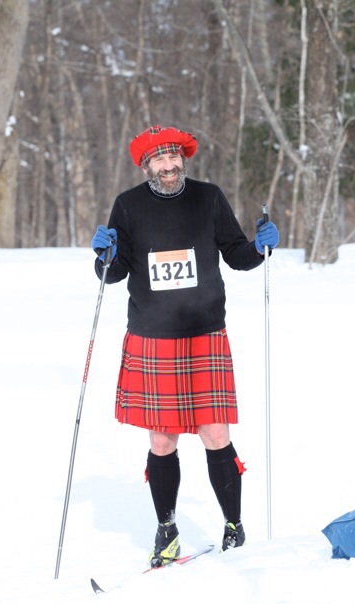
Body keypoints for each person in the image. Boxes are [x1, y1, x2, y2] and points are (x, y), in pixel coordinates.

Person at [92, 125, 279, 567]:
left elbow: (236, 254)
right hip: (153, 335)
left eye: (174, 156)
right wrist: (103, 255)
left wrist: (260, 248)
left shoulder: (208, 197)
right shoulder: (128, 205)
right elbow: (113, 273)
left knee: (216, 433)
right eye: (159, 159)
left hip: (203, 331)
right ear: (146, 166)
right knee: (162, 440)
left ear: (183, 159)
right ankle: (167, 530)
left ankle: (233, 526)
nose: (169, 165)